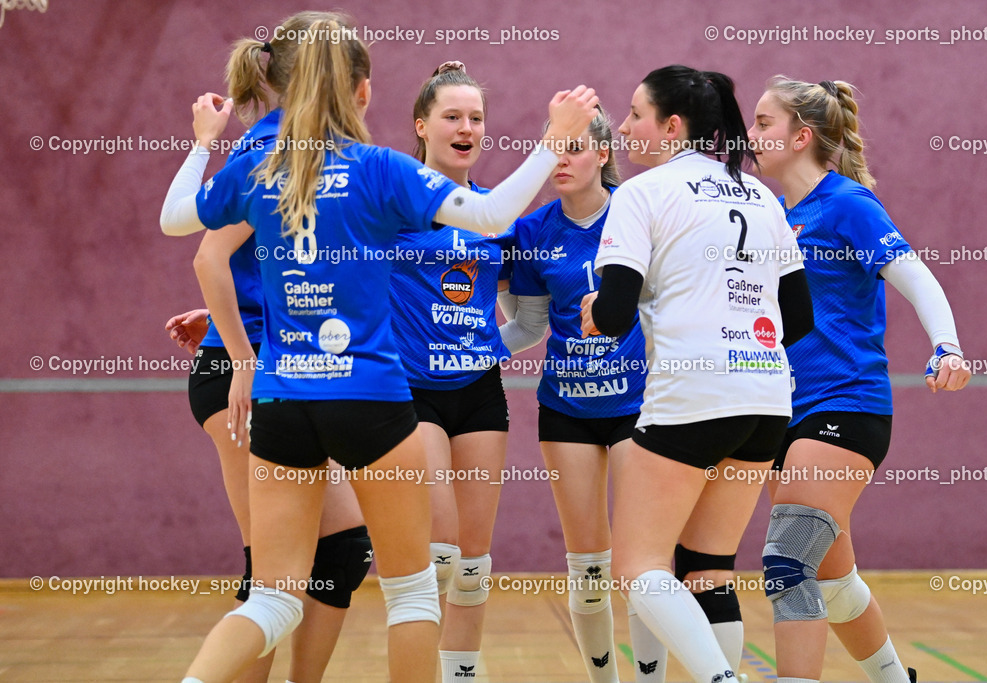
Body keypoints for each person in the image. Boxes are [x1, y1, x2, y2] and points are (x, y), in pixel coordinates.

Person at [159, 10, 598, 682]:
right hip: (369, 397)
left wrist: (200, 142)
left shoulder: (257, 167)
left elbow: (174, 219)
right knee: (413, 591)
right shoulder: (378, 169)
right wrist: (552, 140)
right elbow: (488, 215)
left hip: (280, 395)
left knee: (273, 594)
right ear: (361, 93)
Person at [579, 65, 814, 683]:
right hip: (766, 397)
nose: (626, 128)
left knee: (639, 566)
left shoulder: (642, 193)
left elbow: (614, 311)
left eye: (635, 114)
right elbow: (799, 316)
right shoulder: (762, 196)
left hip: (692, 396)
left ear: (672, 126)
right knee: (708, 567)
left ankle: (721, 679)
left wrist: (595, 312)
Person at [161, 26, 375, 680]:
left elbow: (281, 258)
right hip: (245, 376)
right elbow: (199, 244)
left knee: (335, 550)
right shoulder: (273, 141)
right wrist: (241, 349)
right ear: (343, 84)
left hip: (268, 365)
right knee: (274, 574)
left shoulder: (315, 147)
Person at [747, 76, 971, 683]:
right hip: (782, 415)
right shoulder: (771, 215)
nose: (751, 134)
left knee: (787, 562)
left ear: (801, 136)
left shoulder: (847, 204)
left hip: (844, 407)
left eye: (764, 124)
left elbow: (917, 276)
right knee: (834, 581)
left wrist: (945, 347)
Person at [504, 105, 656, 683]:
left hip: (638, 408)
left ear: (602, 153)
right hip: (566, 409)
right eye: (552, 148)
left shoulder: (637, 213)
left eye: (572, 147)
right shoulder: (536, 229)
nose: (559, 159)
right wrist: (475, 350)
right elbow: (528, 326)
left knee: (641, 567)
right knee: (588, 569)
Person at [388, 61, 513, 682]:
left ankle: (463, 673)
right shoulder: (392, 204)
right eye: (452, 116)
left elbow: (535, 308)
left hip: (481, 391)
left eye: (476, 118)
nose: (466, 127)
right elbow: (332, 280)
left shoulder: (498, 212)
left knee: (473, 560)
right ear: (422, 125)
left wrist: (496, 345)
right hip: (414, 392)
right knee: (437, 549)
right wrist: (232, 321)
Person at [164, 309, 370, 683]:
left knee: (343, 550)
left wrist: (220, 313)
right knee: (268, 575)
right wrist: (241, 357)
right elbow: (208, 257)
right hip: (250, 371)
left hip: (286, 364)